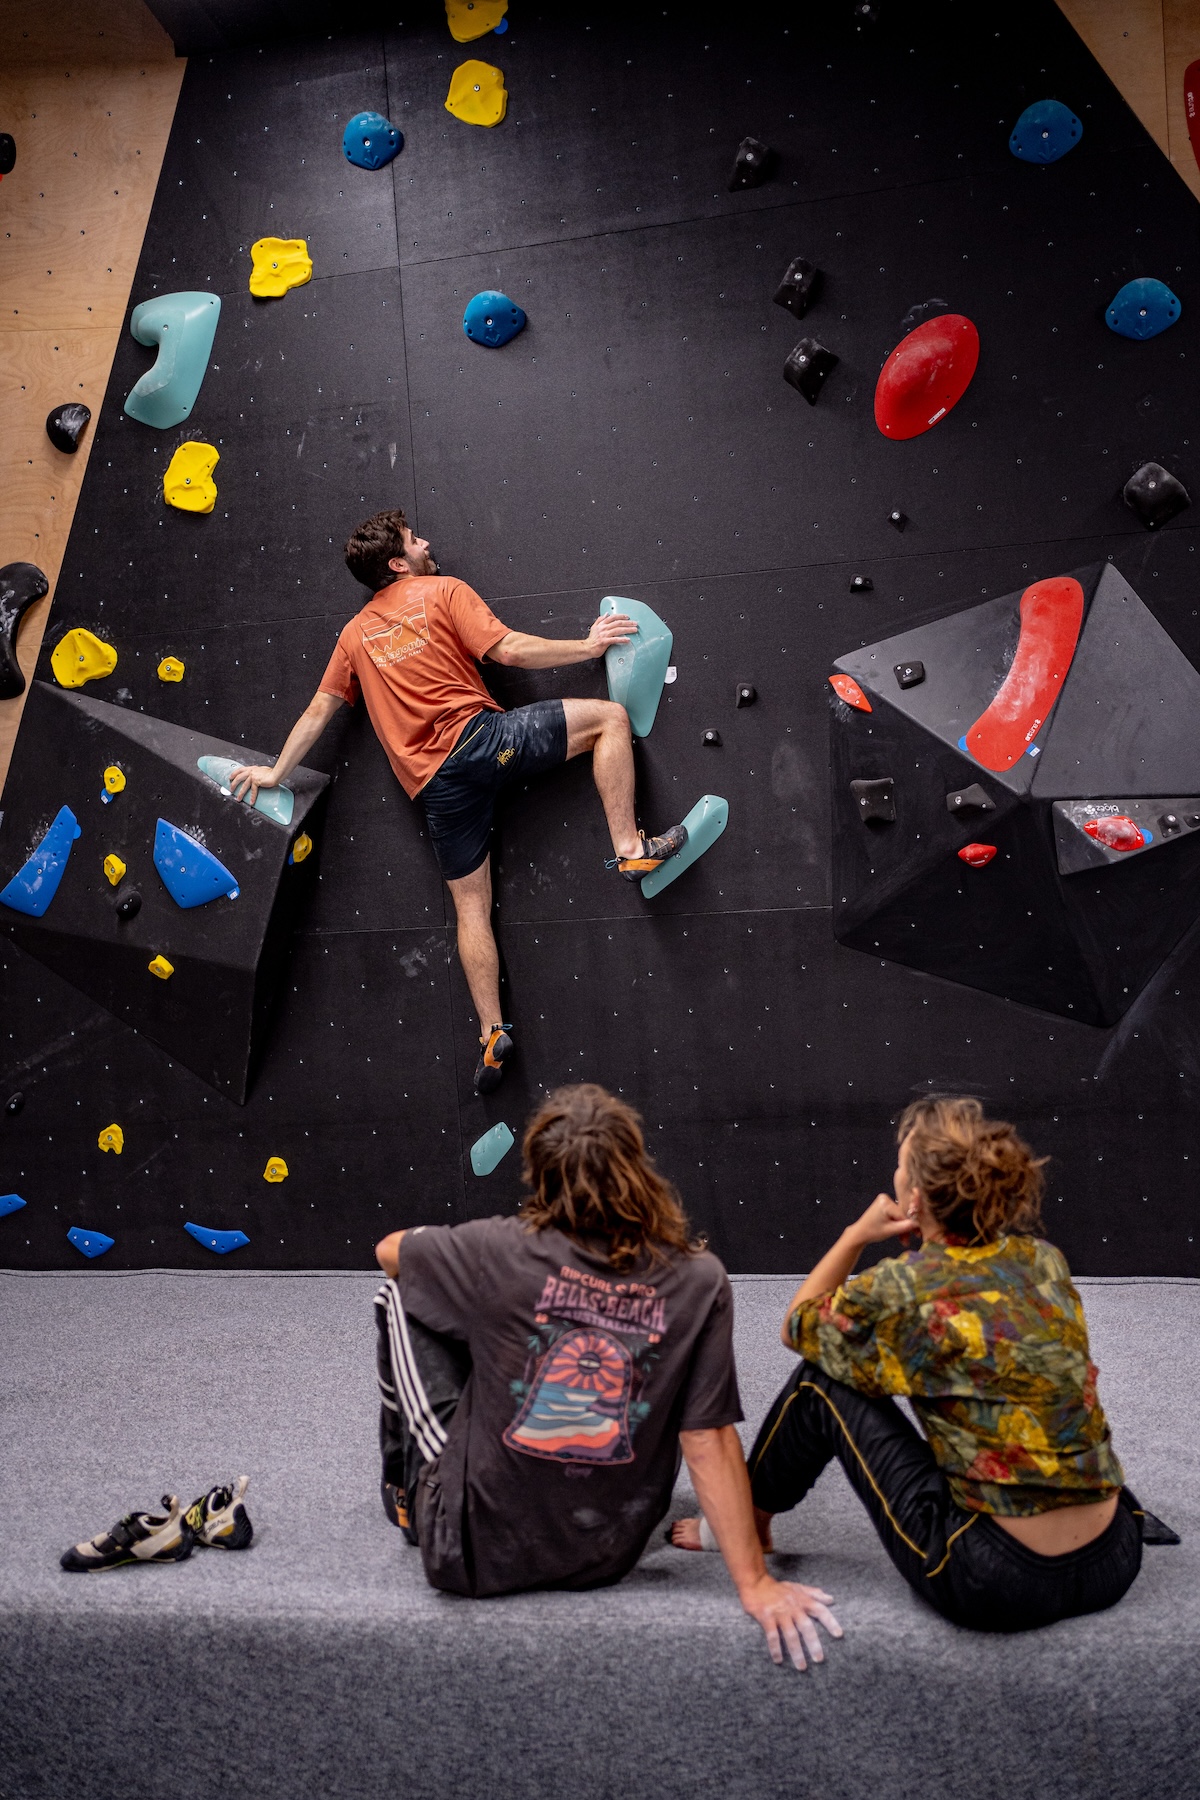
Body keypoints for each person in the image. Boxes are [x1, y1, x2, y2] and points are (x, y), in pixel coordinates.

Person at [372, 1082, 842, 1669]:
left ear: (541, 1178)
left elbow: (389, 1249)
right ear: (638, 1172)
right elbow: (708, 1439)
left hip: (466, 1551)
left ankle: (409, 1494)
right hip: (609, 1551)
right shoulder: (698, 1280)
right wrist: (755, 1585)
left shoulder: (497, 1247)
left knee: (399, 1293)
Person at [228, 509, 687, 1095]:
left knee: (472, 908)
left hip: (434, 788)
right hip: (481, 743)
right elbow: (511, 651)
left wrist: (275, 772)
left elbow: (320, 710)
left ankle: (492, 1033)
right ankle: (629, 847)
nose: (427, 543)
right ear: (398, 563)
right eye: (415, 540)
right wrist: (588, 645)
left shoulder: (353, 636)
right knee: (611, 720)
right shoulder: (442, 590)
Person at [673, 1096, 1170, 1632]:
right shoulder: (1043, 1259)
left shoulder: (904, 1289)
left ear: (914, 1196)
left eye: (902, 1165)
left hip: (1000, 1578)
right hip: (1116, 1556)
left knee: (820, 1382)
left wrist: (856, 1236)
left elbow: (797, 1325)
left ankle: (749, 1522)